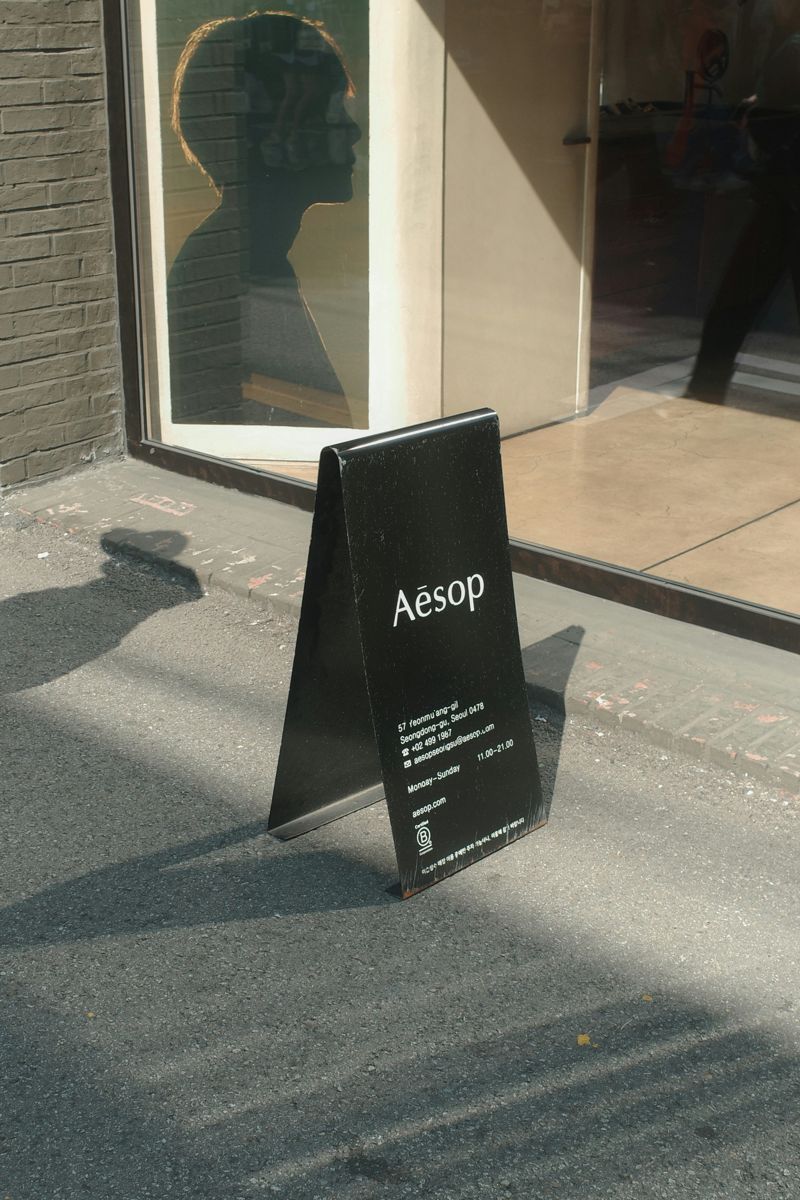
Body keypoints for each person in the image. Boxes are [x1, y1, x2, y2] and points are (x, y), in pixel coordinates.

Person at [167, 12, 360, 426]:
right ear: (279, 129)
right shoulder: (233, 269)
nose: (353, 130)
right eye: (331, 108)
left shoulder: (246, 256)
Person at [686, 0, 800, 404]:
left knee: (734, 304)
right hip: (783, 196)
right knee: (735, 302)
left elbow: (774, 120)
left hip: (784, 195)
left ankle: (704, 388)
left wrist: (753, 115)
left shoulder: (794, 49)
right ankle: (704, 387)